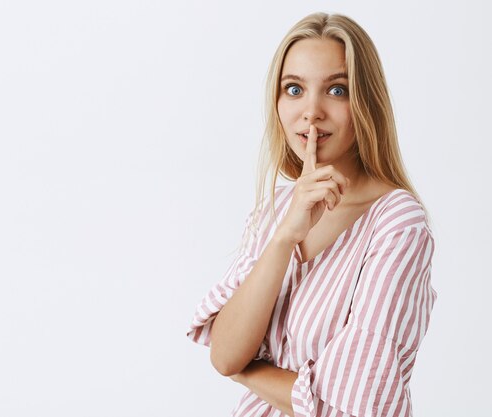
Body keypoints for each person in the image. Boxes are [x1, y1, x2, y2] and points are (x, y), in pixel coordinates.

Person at [185, 12, 437, 417]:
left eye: (337, 90)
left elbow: (360, 405)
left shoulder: (397, 223)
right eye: (294, 89)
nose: (312, 111)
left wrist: (247, 371)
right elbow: (226, 351)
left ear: (366, 102)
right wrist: (285, 236)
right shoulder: (278, 211)